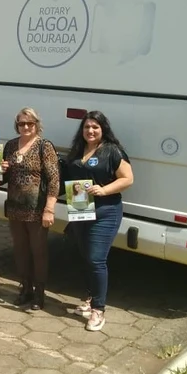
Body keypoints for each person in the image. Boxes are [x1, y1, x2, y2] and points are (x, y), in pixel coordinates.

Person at [62, 110, 134, 332]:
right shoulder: (78, 150)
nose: (90, 131)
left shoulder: (112, 151)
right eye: (87, 127)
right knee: (85, 256)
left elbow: (128, 179)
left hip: (106, 211)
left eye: (95, 127)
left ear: (103, 129)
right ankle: (89, 299)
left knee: (96, 259)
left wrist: (104, 190)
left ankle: (98, 310)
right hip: (81, 207)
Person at [0, 107, 59, 310]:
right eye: (22, 123)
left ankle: (39, 294)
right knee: (20, 251)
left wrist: (49, 209)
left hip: (36, 210)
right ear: (17, 125)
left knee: (38, 252)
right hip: (15, 209)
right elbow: (5, 177)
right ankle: (25, 289)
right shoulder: (10, 145)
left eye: (30, 123)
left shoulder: (44, 146)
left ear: (36, 125)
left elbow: (54, 180)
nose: (26, 127)